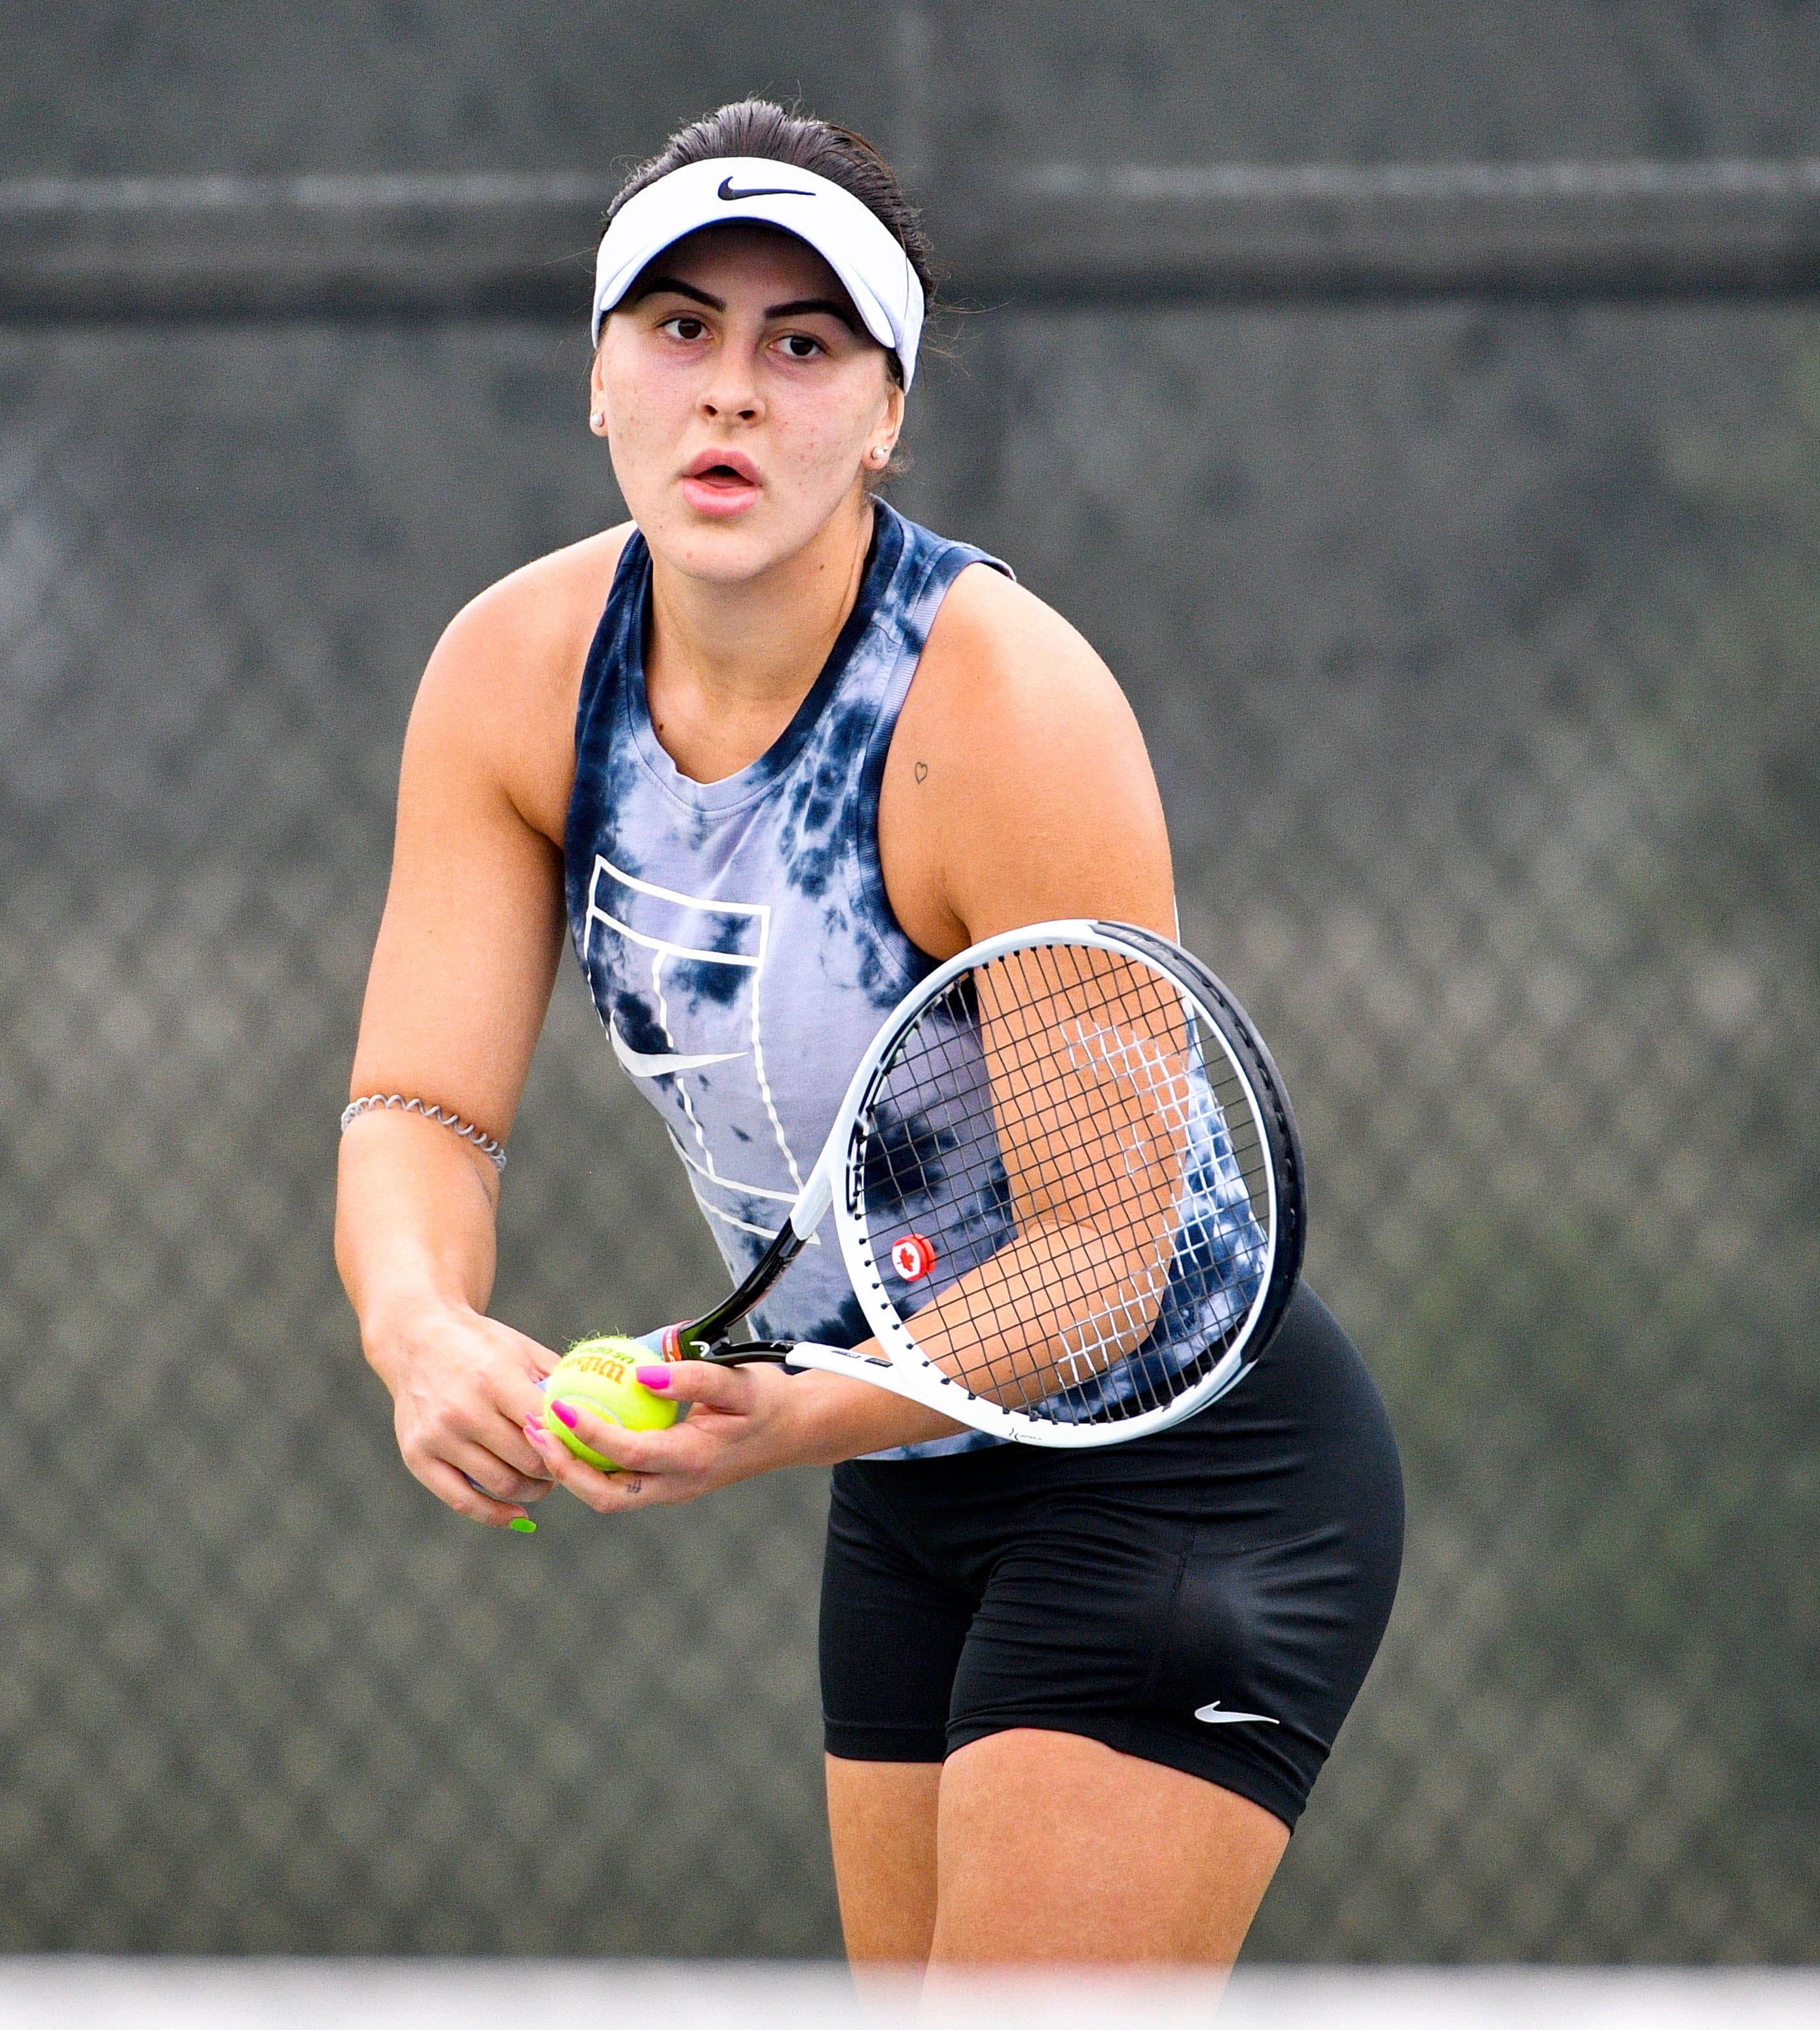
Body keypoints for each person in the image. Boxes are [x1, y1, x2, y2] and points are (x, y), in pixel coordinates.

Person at [335, 98, 1402, 1970]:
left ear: (886, 411)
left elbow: (1101, 1249)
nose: (729, 395)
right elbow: (422, 1102)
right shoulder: (509, 679)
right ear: (596, 380)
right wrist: (421, 1329)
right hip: (900, 1493)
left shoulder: (999, 705)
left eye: (801, 345)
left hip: (1179, 1465)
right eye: (678, 330)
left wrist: (789, 1415)